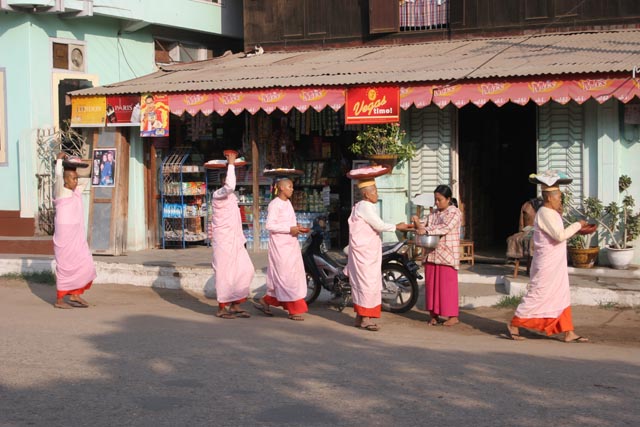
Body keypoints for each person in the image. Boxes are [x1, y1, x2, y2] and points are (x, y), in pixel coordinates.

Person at [507, 178, 589, 343]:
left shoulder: (552, 213)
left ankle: (568, 331)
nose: (560, 199)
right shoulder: (545, 213)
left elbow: (559, 233)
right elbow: (559, 236)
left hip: (555, 262)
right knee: (538, 293)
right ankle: (515, 323)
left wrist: (577, 230)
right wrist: (578, 225)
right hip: (547, 263)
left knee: (561, 294)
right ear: (549, 197)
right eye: (558, 196)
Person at [346, 177, 411, 331]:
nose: (377, 194)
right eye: (374, 191)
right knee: (367, 284)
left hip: (365, 251)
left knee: (363, 283)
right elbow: (379, 225)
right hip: (365, 253)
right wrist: (397, 226)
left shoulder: (361, 206)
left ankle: (360, 317)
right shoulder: (365, 207)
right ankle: (366, 319)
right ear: (366, 194)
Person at [210, 151, 254, 319]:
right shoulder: (218, 194)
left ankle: (236, 304)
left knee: (245, 270)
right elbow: (230, 186)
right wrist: (231, 164)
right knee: (225, 273)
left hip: (235, 239)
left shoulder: (232, 197)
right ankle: (222, 307)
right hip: (223, 240)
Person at [257, 177, 308, 321]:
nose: (292, 189)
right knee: (286, 276)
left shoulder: (288, 203)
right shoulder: (275, 204)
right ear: (282, 188)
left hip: (290, 244)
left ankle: (266, 301)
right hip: (280, 246)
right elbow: (269, 225)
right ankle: (294, 309)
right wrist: (289, 229)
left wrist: (296, 227)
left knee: (290, 275)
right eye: (290, 187)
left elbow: (288, 222)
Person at [412, 184, 462, 326]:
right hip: (431, 254)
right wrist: (416, 222)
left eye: (439, 199)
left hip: (447, 255)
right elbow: (423, 224)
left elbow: (445, 227)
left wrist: (425, 230)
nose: (437, 202)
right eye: (435, 199)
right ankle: (434, 315)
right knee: (432, 287)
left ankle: (453, 315)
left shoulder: (454, 213)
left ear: (448, 199)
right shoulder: (434, 213)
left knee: (447, 287)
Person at [53, 152, 97, 309]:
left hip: (77, 235)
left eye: (76, 178)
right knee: (65, 266)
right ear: (65, 180)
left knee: (85, 263)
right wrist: (59, 161)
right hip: (64, 236)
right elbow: (58, 175)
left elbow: (88, 177)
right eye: (73, 178)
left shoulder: (75, 191)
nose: (76, 181)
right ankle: (59, 300)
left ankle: (75, 295)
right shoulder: (60, 190)